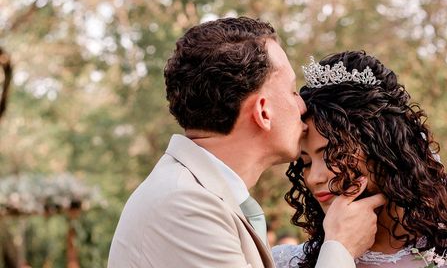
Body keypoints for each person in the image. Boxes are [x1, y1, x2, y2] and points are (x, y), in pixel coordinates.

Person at [108, 18, 385, 268]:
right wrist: (340, 247)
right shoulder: (185, 205)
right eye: (291, 91)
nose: (302, 105)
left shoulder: (202, 194)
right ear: (263, 111)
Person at [272, 51, 447, 268]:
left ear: (382, 148)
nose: (314, 177)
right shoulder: (290, 263)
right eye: (305, 162)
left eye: (331, 155)